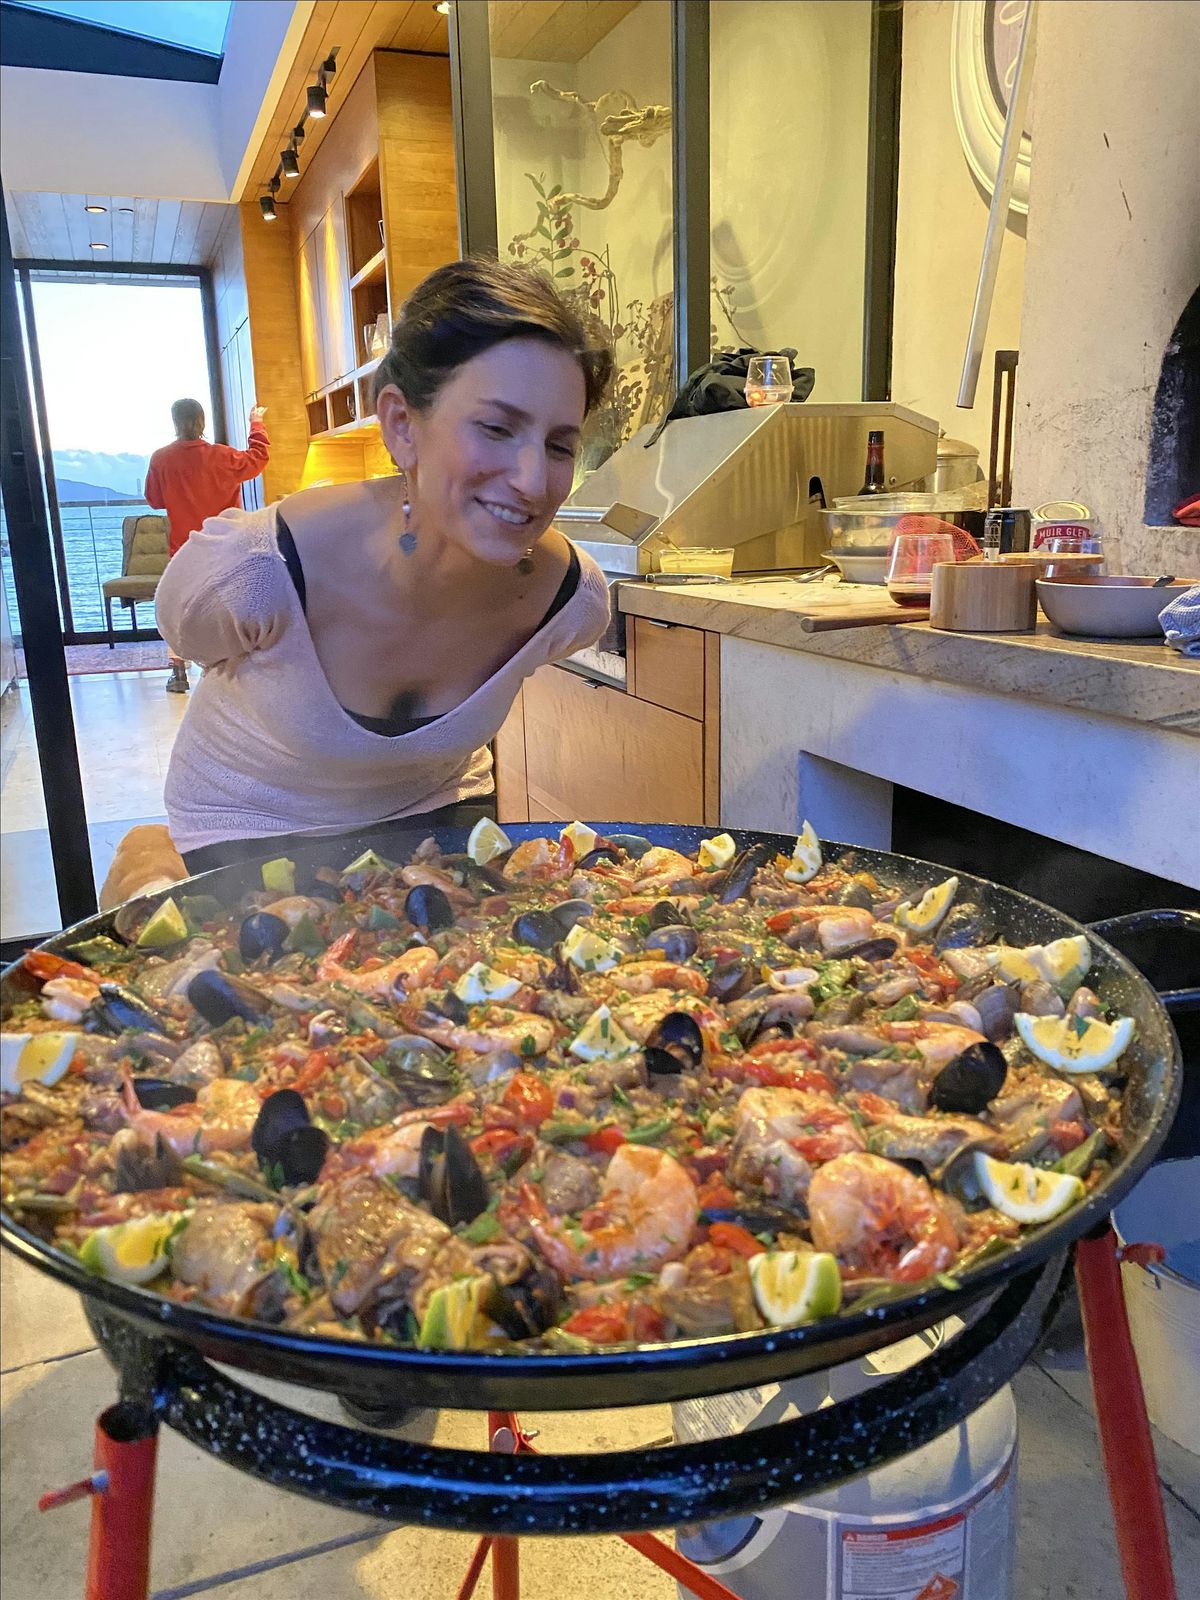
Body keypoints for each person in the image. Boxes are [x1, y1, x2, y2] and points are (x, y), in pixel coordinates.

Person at [155, 258, 613, 872]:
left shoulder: (571, 601)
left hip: (440, 808)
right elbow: (190, 636)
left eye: (559, 446)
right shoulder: (254, 571)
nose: (533, 481)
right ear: (401, 425)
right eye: (497, 428)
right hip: (249, 826)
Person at [145, 398, 271, 693]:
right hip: (227, 545)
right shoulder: (223, 456)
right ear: (203, 421)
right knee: (229, 604)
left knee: (181, 608)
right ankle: (227, 667)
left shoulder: (161, 459)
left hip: (184, 549)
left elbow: (154, 500)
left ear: (175, 422)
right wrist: (256, 424)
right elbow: (258, 458)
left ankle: (178, 671)